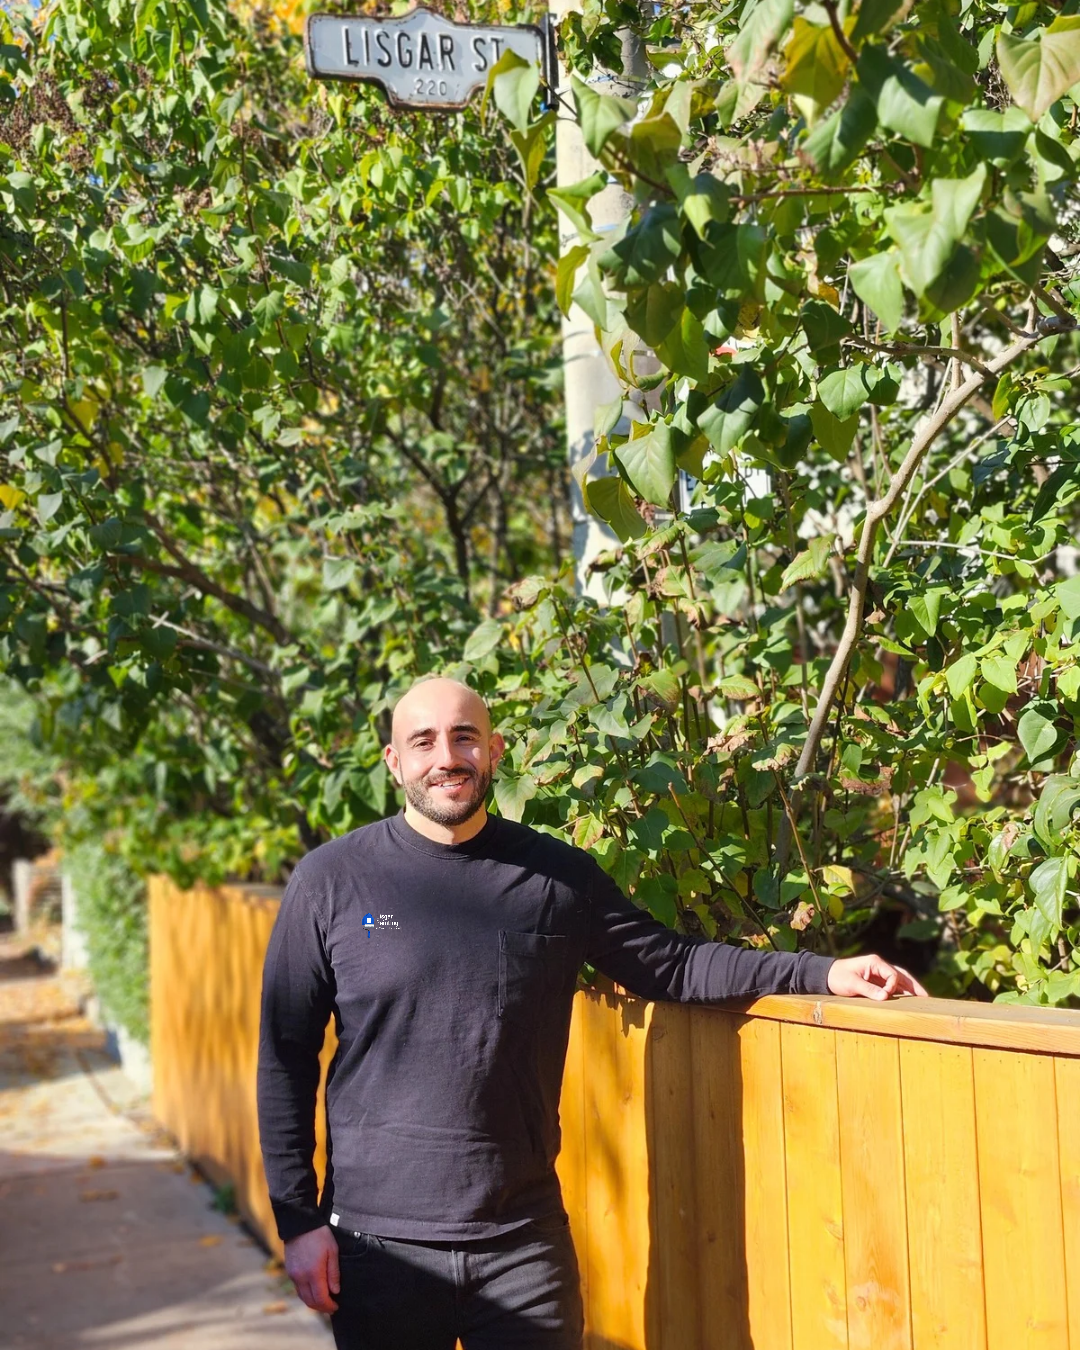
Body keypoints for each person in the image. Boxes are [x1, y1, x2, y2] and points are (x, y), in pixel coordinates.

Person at [257, 677, 926, 1349]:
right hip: (379, 1247)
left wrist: (822, 972)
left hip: (521, 1245)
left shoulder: (555, 879)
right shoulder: (332, 881)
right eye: (423, 741)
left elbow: (671, 963)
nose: (446, 757)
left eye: (464, 737)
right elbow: (284, 1056)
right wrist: (298, 1223)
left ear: (493, 751)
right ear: (394, 761)